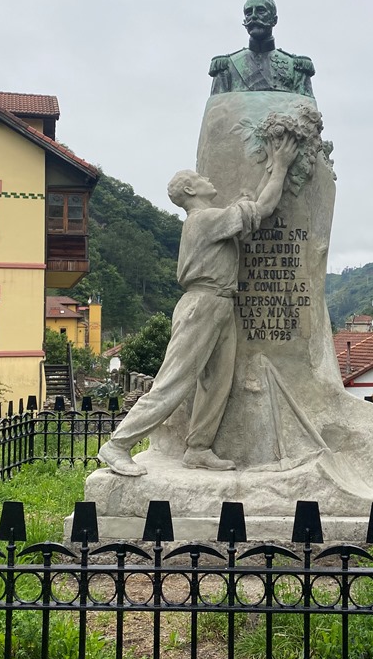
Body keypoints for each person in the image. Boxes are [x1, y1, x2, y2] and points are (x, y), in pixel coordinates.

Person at [97, 136, 298, 476]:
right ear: (190, 190)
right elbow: (262, 209)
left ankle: (199, 448)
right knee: (174, 381)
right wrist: (279, 165)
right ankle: (117, 444)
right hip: (202, 305)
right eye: (201, 178)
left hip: (221, 304)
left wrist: (271, 167)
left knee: (218, 382)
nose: (210, 180)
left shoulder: (214, 219)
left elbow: (252, 212)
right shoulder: (204, 220)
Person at [209, 0, 315, 98]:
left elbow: (305, 110)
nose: (253, 16)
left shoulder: (296, 67)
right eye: (248, 13)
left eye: (261, 11)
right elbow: (218, 110)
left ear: (274, 20)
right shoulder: (227, 66)